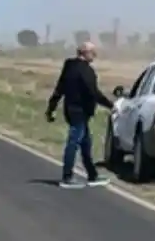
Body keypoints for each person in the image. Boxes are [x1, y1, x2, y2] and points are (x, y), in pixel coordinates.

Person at [45, 41, 113, 189]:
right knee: (74, 142)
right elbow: (93, 92)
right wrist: (111, 105)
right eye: (92, 52)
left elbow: (59, 89)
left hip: (72, 110)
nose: (95, 55)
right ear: (84, 53)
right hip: (80, 112)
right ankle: (67, 177)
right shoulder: (85, 71)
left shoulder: (69, 67)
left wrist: (51, 108)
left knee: (85, 143)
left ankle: (92, 175)